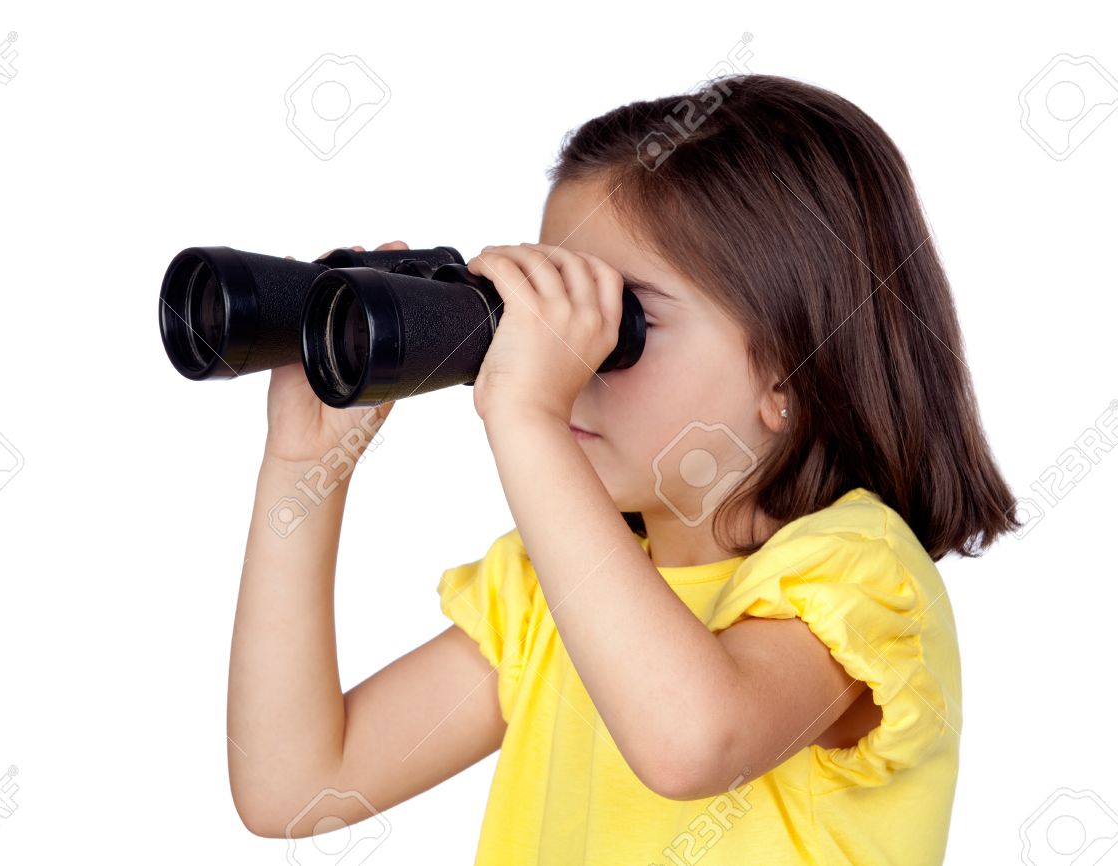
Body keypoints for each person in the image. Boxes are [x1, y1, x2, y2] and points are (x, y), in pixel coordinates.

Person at [226, 72, 1020, 866]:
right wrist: (304, 463)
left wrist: (527, 416)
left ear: (787, 375)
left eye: (622, 322)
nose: (566, 359)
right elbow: (294, 786)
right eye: (555, 312)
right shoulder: (543, 596)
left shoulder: (859, 575)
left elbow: (690, 744)